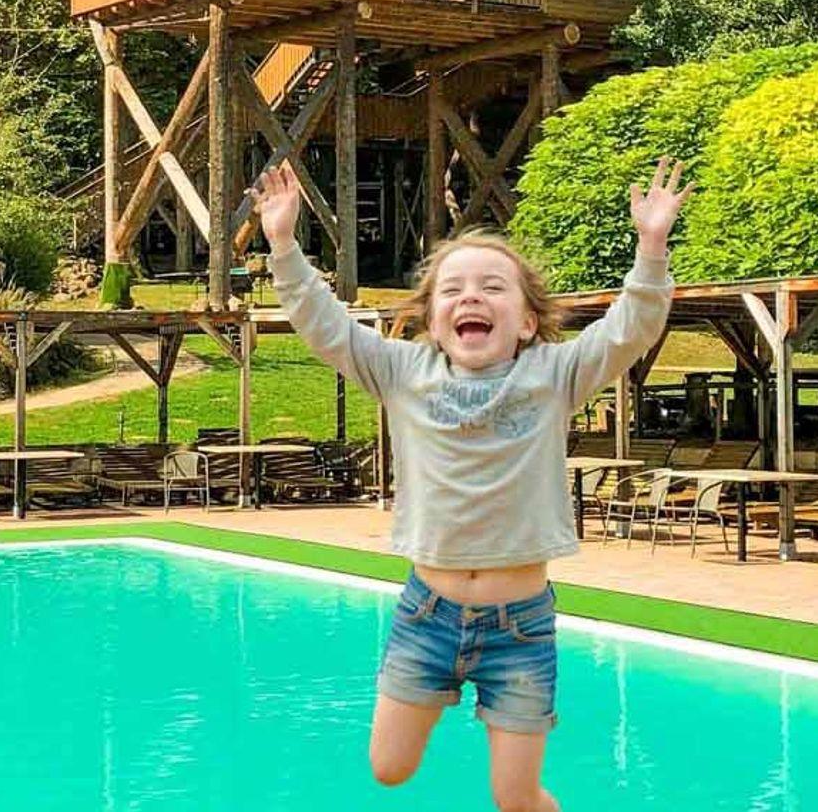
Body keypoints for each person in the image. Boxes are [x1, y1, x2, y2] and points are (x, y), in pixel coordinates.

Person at [251, 155, 689, 812]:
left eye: (492, 287)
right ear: (433, 323)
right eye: (453, 290)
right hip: (427, 615)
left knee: (516, 799)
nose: (471, 297)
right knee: (388, 769)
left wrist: (651, 249)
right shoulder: (403, 372)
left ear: (528, 321)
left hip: (521, 627)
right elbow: (326, 326)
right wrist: (284, 245)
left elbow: (629, 330)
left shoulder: (553, 375)